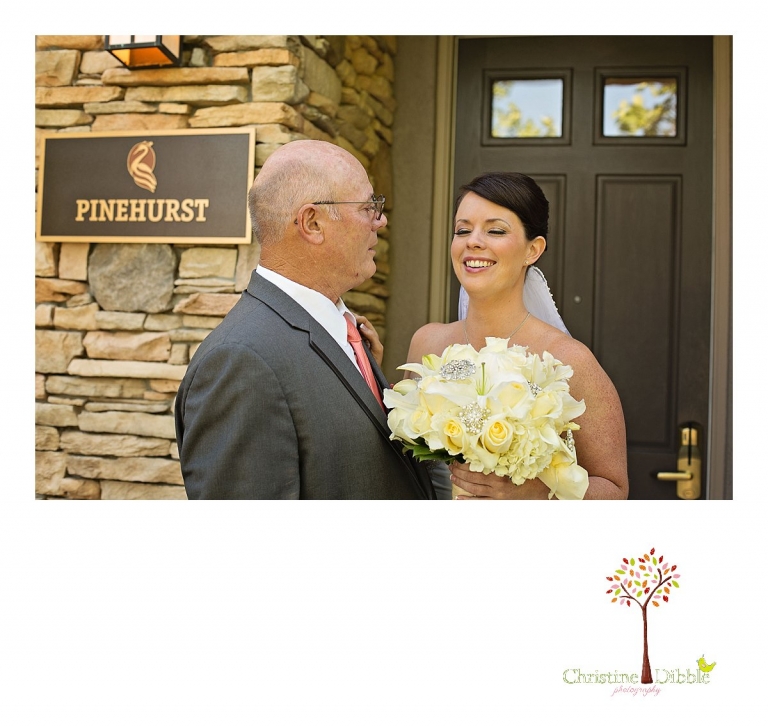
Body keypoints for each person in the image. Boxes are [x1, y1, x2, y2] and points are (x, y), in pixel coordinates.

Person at [175, 140, 435, 499]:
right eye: (368, 207)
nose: (381, 219)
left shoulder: (343, 331)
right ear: (312, 223)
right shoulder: (240, 362)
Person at [404, 171, 629, 500]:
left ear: (533, 250)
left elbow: (615, 489)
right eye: (462, 230)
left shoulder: (568, 360)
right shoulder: (427, 344)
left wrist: (539, 494)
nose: (473, 241)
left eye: (495, 230)